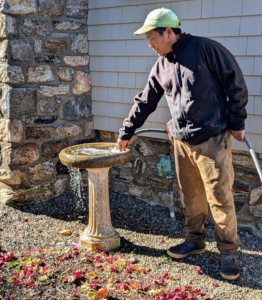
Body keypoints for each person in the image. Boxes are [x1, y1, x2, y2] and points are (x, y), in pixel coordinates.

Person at [117, 8, 248, 281]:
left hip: (212, 138)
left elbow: (234, 83)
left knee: (220, 198)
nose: (149, 44)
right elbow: (146, 100)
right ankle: (195, 240)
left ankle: (228, 254)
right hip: (181, 141)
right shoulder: (161, 65)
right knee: (191, 195)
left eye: (152, 38)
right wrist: (127, 130)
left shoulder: (206, 49)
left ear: (168, 32)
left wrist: (236, 122)